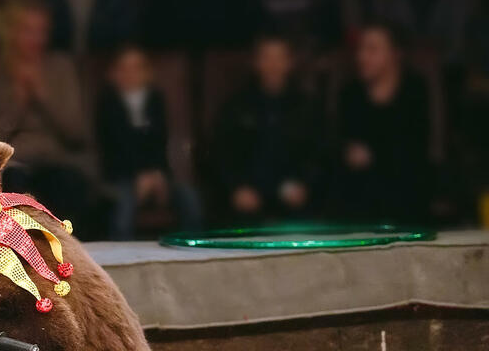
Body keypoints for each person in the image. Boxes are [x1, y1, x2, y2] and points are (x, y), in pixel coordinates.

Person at [0, 0, 90, 221]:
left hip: (56, 161)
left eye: (41, 31)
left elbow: (77, 133)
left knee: (69, 184)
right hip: (13, 164)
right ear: (11, 32)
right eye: (27, 30)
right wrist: (17, 106)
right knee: (11, 186)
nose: (36, 39)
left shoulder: (61, 68)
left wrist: (43, 98)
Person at [213, 35, 323, 222]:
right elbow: (221, 154)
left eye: (279, 58)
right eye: (266, 58)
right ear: (255, 63)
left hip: (295, 196)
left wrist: (305, 184)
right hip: (246, 197)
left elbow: (319, 154)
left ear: (290, 62)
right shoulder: (236, 106)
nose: (273, 65)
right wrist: (237, 187)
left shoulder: (307, 107)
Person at [95, 45, 201, 238]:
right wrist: (138, 177)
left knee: (189, 198)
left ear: (147, 73)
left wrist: (157, 174)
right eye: (124, 68)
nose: (130, 74)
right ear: (113, 74)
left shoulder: (155, 101)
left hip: (157, 173)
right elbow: (113, 148)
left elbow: (160, 143)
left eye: (137, 68)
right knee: (123, 209)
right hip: (121, 177)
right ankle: (122, 258)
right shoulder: (107, 104)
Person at [336, 22, 431, 222]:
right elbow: (338, 146)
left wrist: (375, 156)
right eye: (360, 49)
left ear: (396, 54)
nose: (362, 57)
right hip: (359, 202)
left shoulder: (415, 91)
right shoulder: (350, 94)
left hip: (408, 198)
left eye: (372, 49)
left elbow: (416, 152)